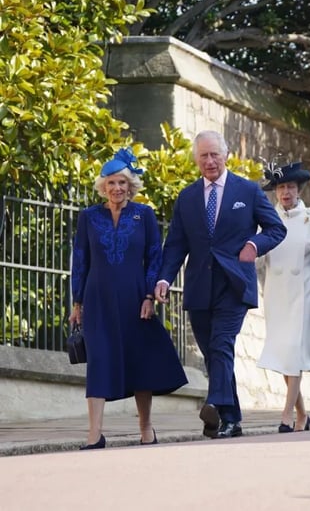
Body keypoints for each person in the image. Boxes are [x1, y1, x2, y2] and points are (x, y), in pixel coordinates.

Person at [155, 131, 286, 438]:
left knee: (221, 345)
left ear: (225, 155)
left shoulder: (248, 190)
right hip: (200, 286)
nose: (210, 161)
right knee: (214, 354)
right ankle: (231, 419)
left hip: (234, 284)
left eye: (215, 154)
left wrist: (254, 244)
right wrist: (163, 278)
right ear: (196, 159)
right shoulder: (187, 197)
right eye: (204, 156)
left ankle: (214, 403)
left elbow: (276, 229)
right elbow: (175, 245)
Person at [69, 148, 188, 450]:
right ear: (103, 187)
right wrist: (77, 301)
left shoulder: (144, 214)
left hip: (136, 298)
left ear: (130, 186)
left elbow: (154, 256)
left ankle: (145, 427)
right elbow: (80, 260)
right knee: (98, 361)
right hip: (97, 299)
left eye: (122, 183)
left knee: (139, 362)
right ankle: (95, 434)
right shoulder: (88, 217)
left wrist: (149, 294)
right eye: (111, 183)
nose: (117, 188)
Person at [258, 162, 310, 432]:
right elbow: (258, 254)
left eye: (290, 187)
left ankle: (286, 415)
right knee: (283, 355)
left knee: (294, 351)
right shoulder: (268, 218)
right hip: (275, 294)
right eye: (281, 187)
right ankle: (302, 414)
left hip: (303, 293)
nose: (286, 192)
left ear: (299, 189)